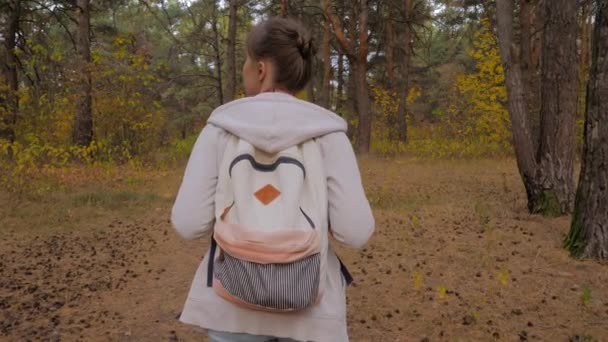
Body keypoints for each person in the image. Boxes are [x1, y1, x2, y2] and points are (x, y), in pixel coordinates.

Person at [171, 17, 374, 342]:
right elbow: (356, 231)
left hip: (231, 311)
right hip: (312, 314)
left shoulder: (220, 131)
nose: (245, 70)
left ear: (261, 69)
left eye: (246, 62)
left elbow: (187, 223)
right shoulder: (329, 137)